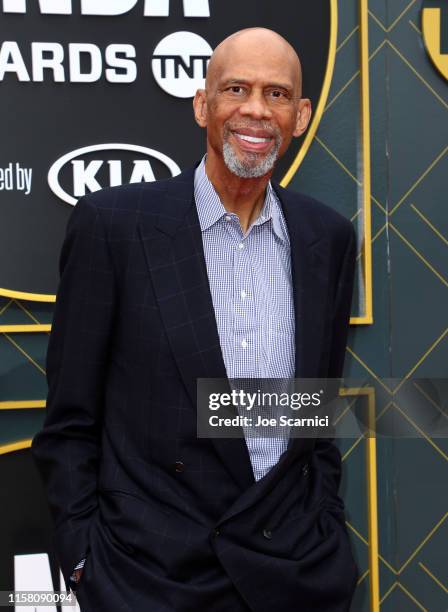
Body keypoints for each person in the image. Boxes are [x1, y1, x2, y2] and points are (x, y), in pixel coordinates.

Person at [32, 27, 358, 612]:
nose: (256, 110)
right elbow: (69, 422)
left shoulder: (325, 238)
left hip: (293, 572)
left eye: (278, 94)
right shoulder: (115, 226)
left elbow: (314, 411)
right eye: (236, 88)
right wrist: (85, 563)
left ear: (302, 115)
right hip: (150, 578)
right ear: (203, 105)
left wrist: (325, 526)